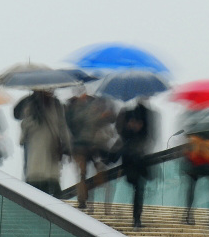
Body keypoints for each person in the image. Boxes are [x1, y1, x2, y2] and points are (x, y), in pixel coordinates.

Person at [66, 89, 116, 210]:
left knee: (96, 173)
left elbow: (110, 119)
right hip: (80, 146)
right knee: (83, 173)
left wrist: (105, 116)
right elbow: (76, 122)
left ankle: (93, 200)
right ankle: (82, 200)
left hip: (93, 146)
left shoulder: (94, 103)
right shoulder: (73, 107)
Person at [14, 90, 71, 196]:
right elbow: (24, 123)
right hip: (37, 150)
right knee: (37, 183)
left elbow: (63, 126)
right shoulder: (31, 103)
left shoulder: (56, 105)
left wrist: (67, 146)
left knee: (51, 183)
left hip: (51, 149)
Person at [115, 98, 156, 229]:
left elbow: (151, 136)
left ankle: (137, 217)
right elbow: (121, 133)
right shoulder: (127, 112)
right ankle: (136, 217)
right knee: (137, 186)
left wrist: (140, 129)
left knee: (139, 187)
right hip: (129, 158)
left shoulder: (148, 114)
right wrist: (130, 127)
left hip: (139, 159)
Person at [180, 135, 209, 225]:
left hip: (201, 167)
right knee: (191, 192)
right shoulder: (198, 140)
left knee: (191, 191)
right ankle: (188, 214)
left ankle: (188, 214)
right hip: (198, 167)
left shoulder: (197, 140)